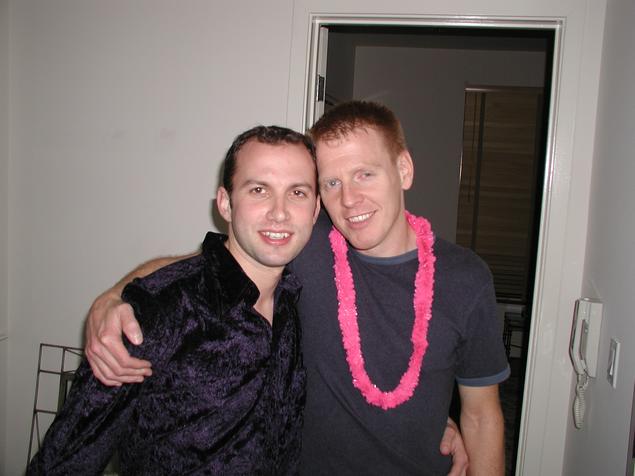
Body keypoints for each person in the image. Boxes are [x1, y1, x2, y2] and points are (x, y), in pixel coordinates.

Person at [86, 101, 507, 475]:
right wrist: (115, 297)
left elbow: (482, 416)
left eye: (364, 174)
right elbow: (204, 264)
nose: (350, 199)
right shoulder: (307, 245)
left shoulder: (466, 279)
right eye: (332, 182)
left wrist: (435, 420)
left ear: (404, 170)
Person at [27, 125, 322, 475]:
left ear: (315, 209)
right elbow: (65, 461)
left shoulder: (295, 301)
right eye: (259, 190)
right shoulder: (155, 312)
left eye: (297, 193)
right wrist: (112, 297)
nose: (279, 212)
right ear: (226, 203)